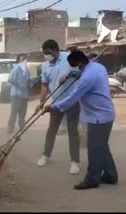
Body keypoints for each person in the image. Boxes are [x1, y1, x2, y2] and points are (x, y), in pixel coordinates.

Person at [44, 51, 118, 190]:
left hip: (98, 117)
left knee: (94, 148)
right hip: (105, 114)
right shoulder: (98, 67)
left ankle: (92, 179)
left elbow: (72, 98)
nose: (74, 69)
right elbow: (82, 72)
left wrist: (53, 107)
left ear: (80, 63)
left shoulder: (87, 78)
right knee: (101, 146)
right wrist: (71, 75)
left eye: (74, 67)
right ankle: (111, 175)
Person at [37, 39, 81, 175]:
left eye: (48, 53)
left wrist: (68, 75)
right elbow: (44, 85)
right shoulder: (45, 66)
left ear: (55, 50)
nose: (46, 55)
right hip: (56, 103)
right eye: (44, 53)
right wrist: (41, 102)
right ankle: (46, 155)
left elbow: (80, 71)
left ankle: (75, 162)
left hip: (72, 101)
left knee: (72, 131)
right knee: (52, 130)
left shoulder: (69, 57)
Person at [7, 54, 30, 134]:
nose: (24, 61)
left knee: (23, 113)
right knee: (14, 112)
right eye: (22, 59)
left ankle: (22, 127)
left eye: (25, 59)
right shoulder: (16, 68)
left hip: (24, 95)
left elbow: (28, 81)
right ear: (18, 61)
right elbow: (10, 79)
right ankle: (10, 128)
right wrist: (19, 85)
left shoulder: (26, 70)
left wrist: (29, 85)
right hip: (16, 95)